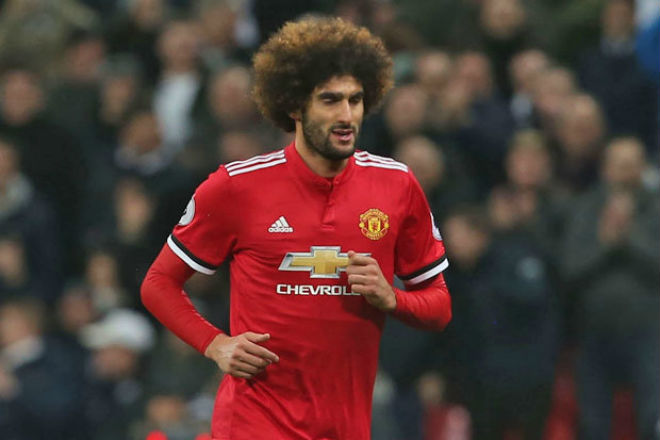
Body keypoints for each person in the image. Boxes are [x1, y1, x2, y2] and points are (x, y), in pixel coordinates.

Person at [141, 17, 452, 440]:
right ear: (294, 106)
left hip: (346, 427)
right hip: (254, 423)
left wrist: (391, 298)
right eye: (330, 100)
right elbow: (159, 283)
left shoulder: (397, 185)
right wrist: (216, 344)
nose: (347, 116)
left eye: (355, 100)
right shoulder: (236, 186)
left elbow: (439, 306)